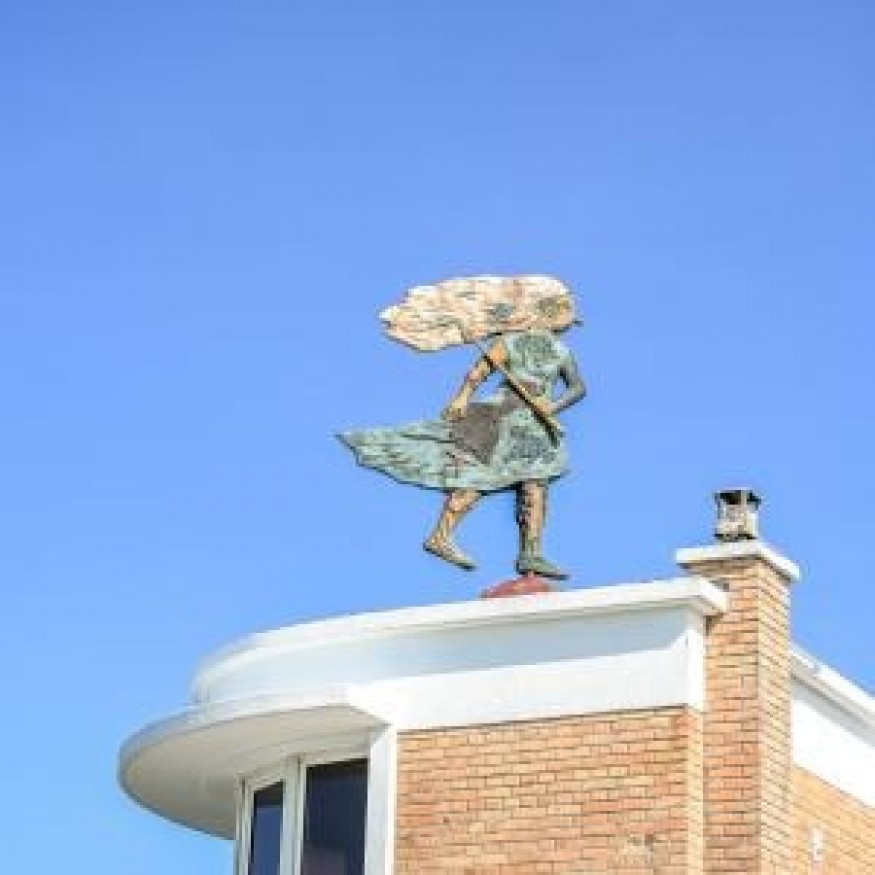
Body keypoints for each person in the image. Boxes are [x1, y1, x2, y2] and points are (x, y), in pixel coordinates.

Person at [339, 278, 586, 579]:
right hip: (501, 417)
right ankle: (441, 536)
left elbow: (578, 388)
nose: (568, 323)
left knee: (536, 484)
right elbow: (479, 372)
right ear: (550, 314)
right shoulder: (509, 342)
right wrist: (461, 398)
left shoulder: (562, 352)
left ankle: (530, 553)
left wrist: (553, 407)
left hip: (536, 428)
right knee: (479, 475)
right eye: (566, 316)